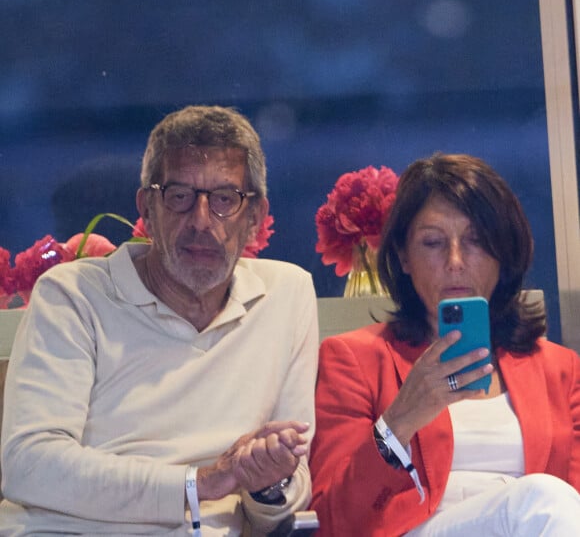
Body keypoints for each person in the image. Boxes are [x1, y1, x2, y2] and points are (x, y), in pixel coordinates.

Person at [0, 105, 319, 536]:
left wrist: (266, 482)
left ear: (255, 217)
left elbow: (290, 486)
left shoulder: (287, 294)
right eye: (179, 196)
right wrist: (200, 483)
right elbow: (30, 464)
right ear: (147, 208)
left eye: (224, 199)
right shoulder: (72, 295)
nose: (201, 222)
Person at [309, 152, 580, 536]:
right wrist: (399, 420)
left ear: (503, 253)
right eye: (433, 243)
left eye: (475, 241)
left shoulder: (560, 369)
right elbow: (333, 520)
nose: (455, 261)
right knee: (541, 498)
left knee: (545, 501)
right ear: (403, 256)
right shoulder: (354, 359)